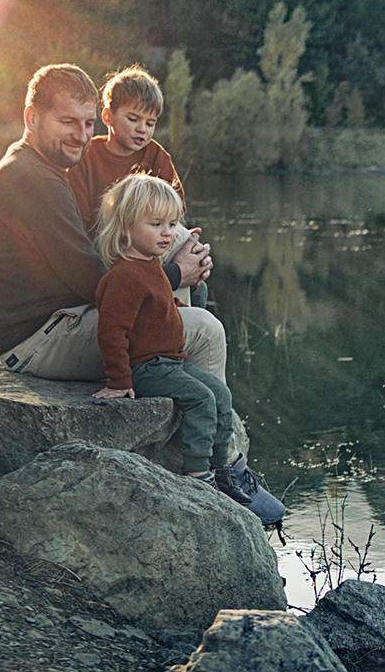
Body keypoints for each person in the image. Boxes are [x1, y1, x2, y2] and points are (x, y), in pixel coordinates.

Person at [0, 63, 220, 383]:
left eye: (88, 123)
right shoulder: (34, 179)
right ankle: (196, 409)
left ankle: (169, 376)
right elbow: (93, 282)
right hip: (38, 340)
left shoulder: (34, 166)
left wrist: (182, 263)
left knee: (176, 238)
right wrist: (177, 274)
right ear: (31, 118)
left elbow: (89, 271)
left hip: (59, 319)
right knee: (206, 330)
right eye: (68, 122)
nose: (82, 136)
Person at [89, 174, 284, 524]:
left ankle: (223, 468)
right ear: (126, 228)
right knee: (201, 399)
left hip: (170, 362)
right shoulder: (123, 276)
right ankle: (197, 475)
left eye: (171, 224)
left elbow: (158, 308)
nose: (167, 233)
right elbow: (111, 332)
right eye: (156, 224)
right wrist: (119, 381)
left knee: (220, 394)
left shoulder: (150, 266)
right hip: (147, 368)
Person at [68, 63, 207, 310]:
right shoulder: (87, 157)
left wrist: (189, 243)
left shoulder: (156, 155)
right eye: (133, 119)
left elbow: (176, 210)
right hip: (107, 244)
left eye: (150, 123)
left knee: (186, 241)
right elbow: (81, 225)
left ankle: (182, 320)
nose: (142, 129)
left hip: (151, 240)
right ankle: (174, 315)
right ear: (107, 116)